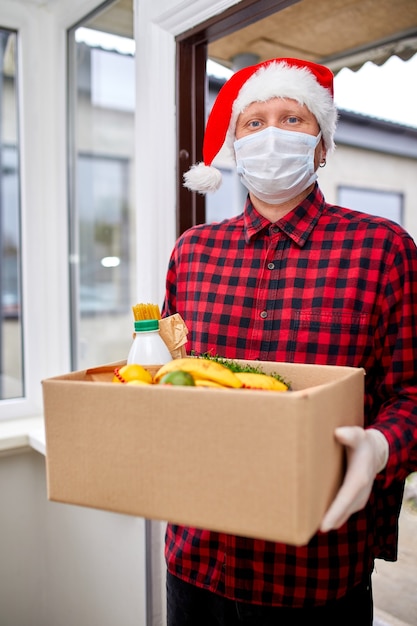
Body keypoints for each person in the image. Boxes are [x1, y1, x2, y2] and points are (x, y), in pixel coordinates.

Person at [161, 57, 417, 625]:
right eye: (253, 122)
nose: (270, 134)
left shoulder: (384, 249)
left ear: (322, 145)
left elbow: (413, 393)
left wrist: (380, 448)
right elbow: (167, 378)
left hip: (317, 572)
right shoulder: (192, 252)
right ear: (233, 144)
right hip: (195, 559)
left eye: (291, 119)